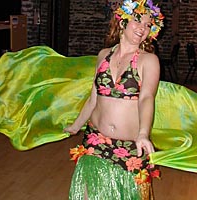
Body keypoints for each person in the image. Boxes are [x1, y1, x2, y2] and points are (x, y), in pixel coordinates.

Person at [64, 0, 164, 199]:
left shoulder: (148, 60)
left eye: (148, 25)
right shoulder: (103, 56)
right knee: (87, 194)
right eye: (138, 21)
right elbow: (93, 98)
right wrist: (76, 125)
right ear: (122, 22)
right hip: (95, 140)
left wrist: (143, 134)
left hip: (130, 146)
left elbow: (146, 98)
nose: (143, 28)